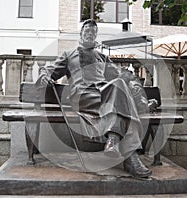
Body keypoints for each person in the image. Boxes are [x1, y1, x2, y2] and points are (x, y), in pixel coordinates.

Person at [36, 19, 156, 178]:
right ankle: (128, 152)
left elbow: (119, 76)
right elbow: (49, 70)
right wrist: (44, 76)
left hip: (104, 94)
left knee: (119, 91)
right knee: (121, 103)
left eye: (93, 32)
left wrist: (132, 81)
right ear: (81, 34)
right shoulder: (69, 55)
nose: (90, 34)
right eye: (87, 31)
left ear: (96, 35)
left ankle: (119, 146)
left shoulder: (102, 57)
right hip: (83, 96)